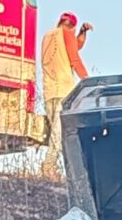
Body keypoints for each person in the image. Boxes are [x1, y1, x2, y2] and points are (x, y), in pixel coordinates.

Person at [36, 11, 93, 176]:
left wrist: (82, 34)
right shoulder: (66, 34)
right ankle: (49, 167)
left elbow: (73, 46)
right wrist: (87, 82)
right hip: (63, 91)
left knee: (56, 133)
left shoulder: (47, 36)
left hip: (49, 92)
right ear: (72, 27)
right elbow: (74, 57)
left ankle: (54, 167)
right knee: (59, 134)